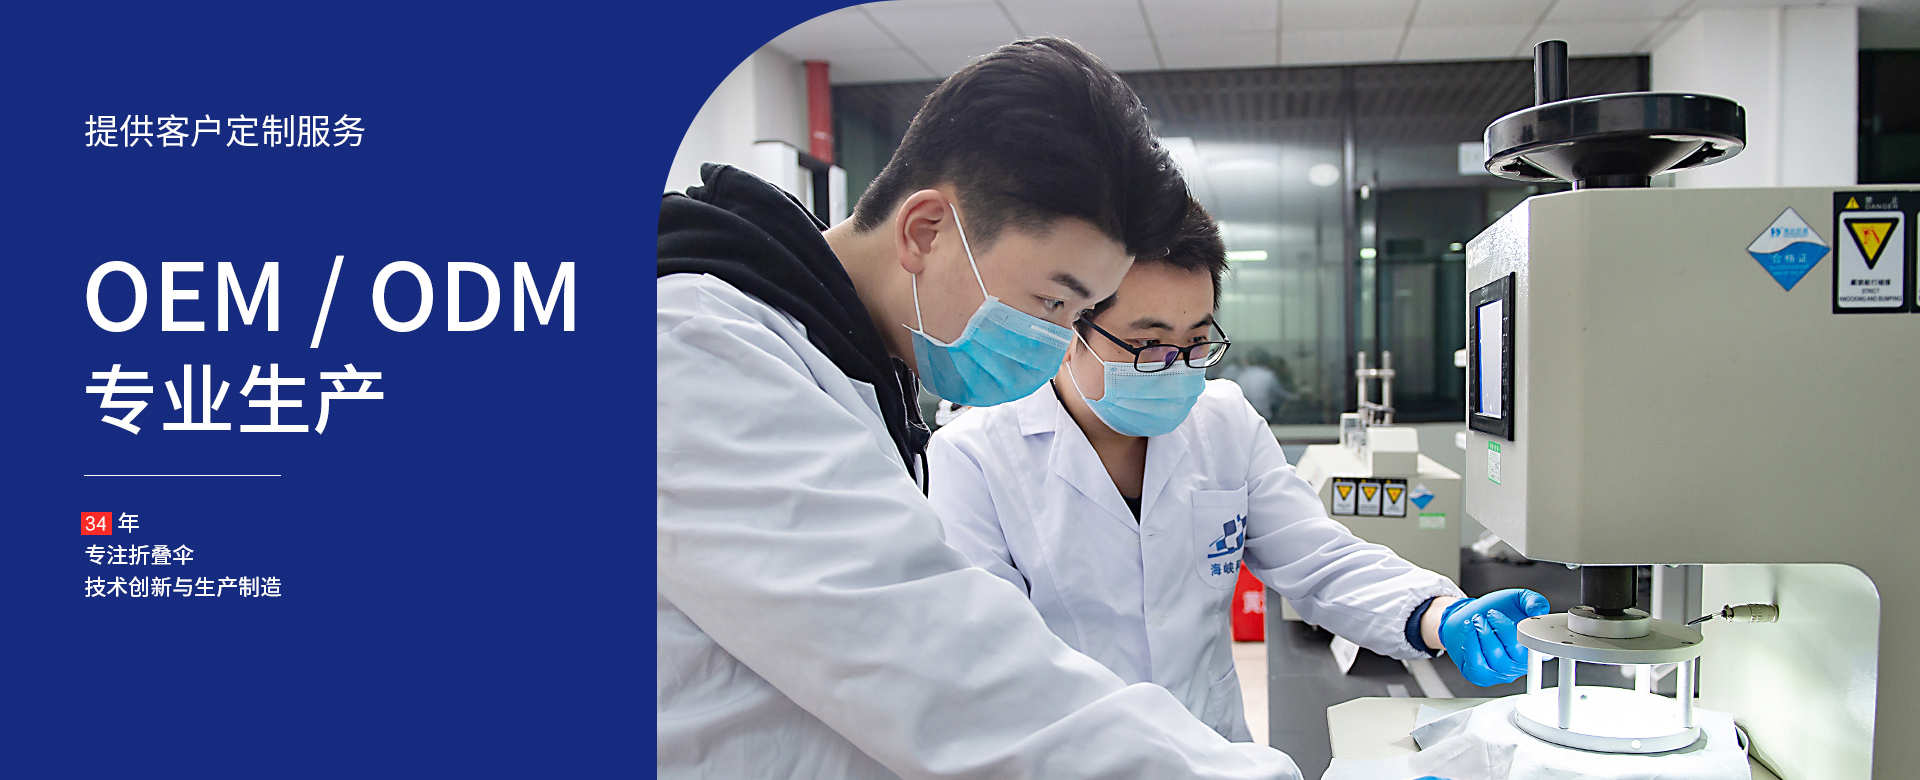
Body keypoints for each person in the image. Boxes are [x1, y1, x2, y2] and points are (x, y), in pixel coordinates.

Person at [658, 38, 1308, 779]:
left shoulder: (850, 365)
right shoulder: (699, 350)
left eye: (1080, 314)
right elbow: (939, 667)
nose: (1059, 342)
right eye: (1052, 301)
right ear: (925, 230)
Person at [926, 201, 1550, 741]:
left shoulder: (1223, 422)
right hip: (1064, 762)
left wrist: (1438, 615)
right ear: (1068, 325)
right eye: (1148, 344)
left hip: (1212, 741)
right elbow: (996, 669)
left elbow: (1317, 560)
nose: (1177, 365)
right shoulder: (974, 458)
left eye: (1197, 342)